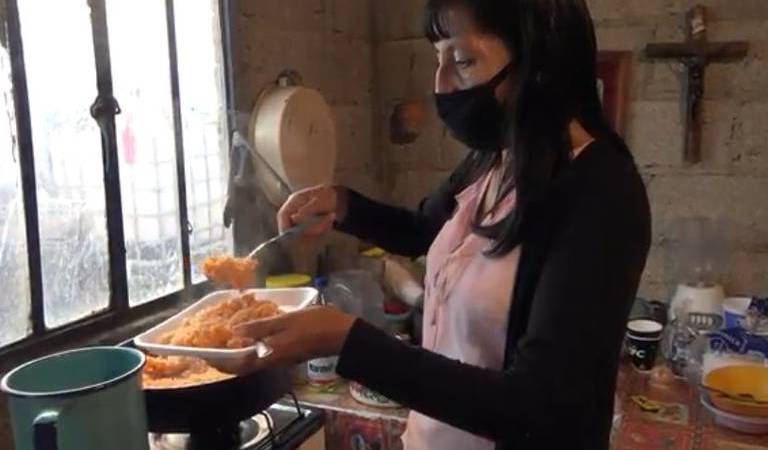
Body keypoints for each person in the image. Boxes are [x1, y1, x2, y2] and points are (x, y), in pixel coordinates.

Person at [226, 1, 651, 449]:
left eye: (463, 61)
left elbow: (541, 405)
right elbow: (421, 229)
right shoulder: (497, 158)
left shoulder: (603, 192)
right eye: (438, 59)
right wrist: (342, 204)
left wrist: (348, 341)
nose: (441, 85)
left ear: (540, 61)